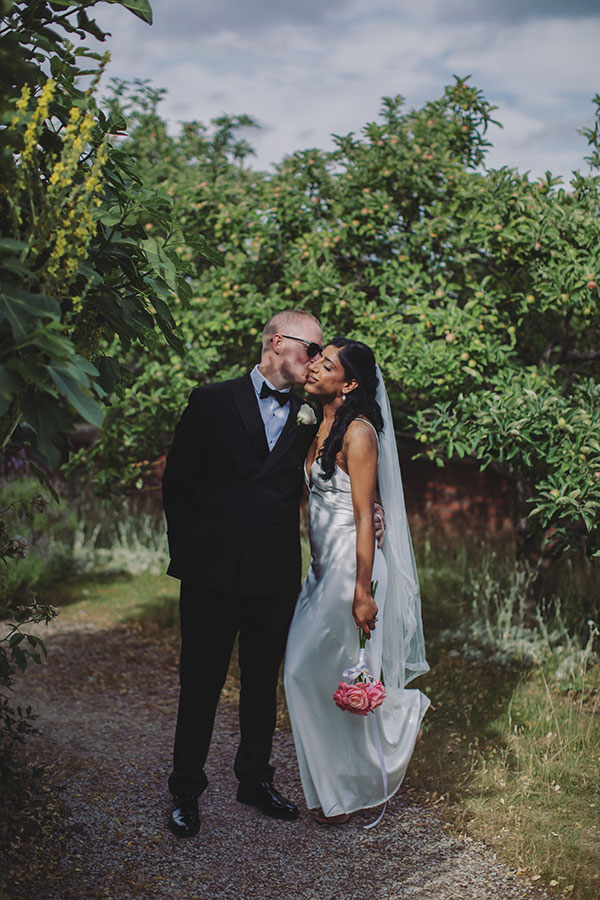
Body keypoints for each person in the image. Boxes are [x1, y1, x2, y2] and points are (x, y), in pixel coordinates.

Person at [162, 309, 324, 836]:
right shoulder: (210, 400)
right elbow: (177, 485)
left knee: (261, 683)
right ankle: (186, 789)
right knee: (201, 683)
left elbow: (331, 471)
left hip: (273, 573)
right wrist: (189, 552)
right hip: (210, 572)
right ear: (278, 342)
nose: (318, 359)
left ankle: (254, 778)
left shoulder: (311, 415)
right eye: (311, 348)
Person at [284, 337, 430, 824]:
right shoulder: (316, 421)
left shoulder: (359, 433)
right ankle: (335, 793)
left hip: (352, 570)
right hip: (321, 570)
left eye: (326, 365)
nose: (313, 368)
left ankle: (402, 717)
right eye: (317, 360)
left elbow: (366, 518)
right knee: (318, 677)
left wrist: (363, 591)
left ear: (349, 383)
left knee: (306, 671)